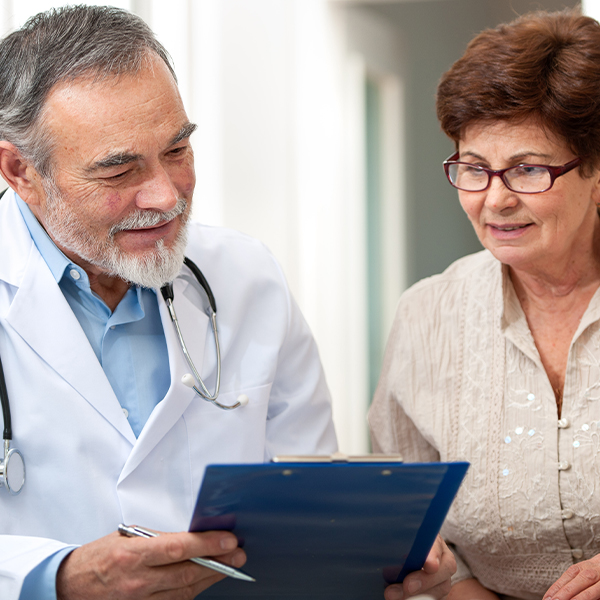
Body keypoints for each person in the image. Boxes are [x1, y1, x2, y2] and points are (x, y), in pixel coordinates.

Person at [0, 5, 454, 600]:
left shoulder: (248, 277)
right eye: (119, 171)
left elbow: (309, 495)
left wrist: (377, 554)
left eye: (178, 150)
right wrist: (55, 577)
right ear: (19, 170)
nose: (165, 194)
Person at [369, 8, 600, 600]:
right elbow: (405, 534)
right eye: (473, 169)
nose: (493, 200)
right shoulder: (429, 316)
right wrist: (451, 587)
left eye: (526, 169)